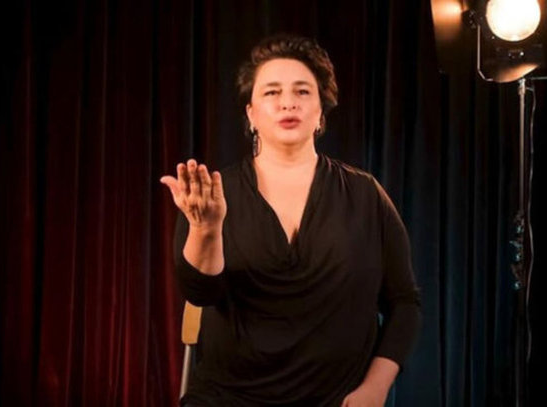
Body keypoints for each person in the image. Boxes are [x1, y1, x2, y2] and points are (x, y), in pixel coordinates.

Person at [160, 34, 421, 407]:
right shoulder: (213, 194)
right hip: (229, 398)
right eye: (272, 92)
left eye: (302, 91)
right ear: (251, 114)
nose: (287, 102)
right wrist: (206, 229)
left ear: (320, 112)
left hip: (337, 399)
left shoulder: (365, 195)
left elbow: (404, 303)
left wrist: (375, 388)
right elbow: (200, 293)